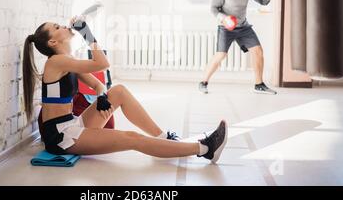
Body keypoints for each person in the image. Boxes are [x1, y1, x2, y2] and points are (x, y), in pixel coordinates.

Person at [22, 16, 228, 163]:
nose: (63, 26)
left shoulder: (67, 61)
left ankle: (162, 137)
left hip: (72, 123)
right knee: (132, 139)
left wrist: (102, 96)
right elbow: (102, 63)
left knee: (118, 91)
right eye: (57, 27)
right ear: (53, 41)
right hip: (60, 136)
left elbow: (97, 83)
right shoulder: (56, 62)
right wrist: (86, 32)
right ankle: (204, 148)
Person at [199, 0, 277, 95]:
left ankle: (259, 85)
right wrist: (224, 19)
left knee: (258, 51)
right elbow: (213, 8)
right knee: (221, 55)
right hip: (226, 27)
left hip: (243, 27)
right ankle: (203, 82)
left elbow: (262, 1)